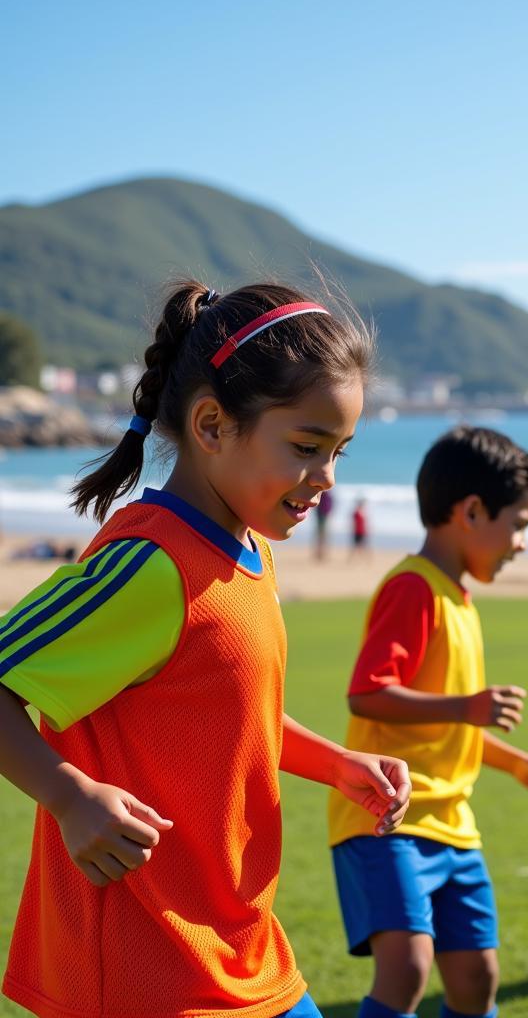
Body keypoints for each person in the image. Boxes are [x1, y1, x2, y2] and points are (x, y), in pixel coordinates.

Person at [0, 280, 412, 1018]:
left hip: (239, 946)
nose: (327, 479)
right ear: (213, 425)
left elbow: (228, 715)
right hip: (145, 972)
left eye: (340, 452)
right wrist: (68, 796)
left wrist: (337, 765)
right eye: (307, 448)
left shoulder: (247, 547)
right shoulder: (149, 566)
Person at [329, 426, 528, 1018]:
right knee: (408, 967)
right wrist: (467, 707)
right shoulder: (415, 589)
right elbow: (368, 694)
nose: (521, 543)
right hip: (388, 820)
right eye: (518, 524)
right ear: (470, 511)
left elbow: (446, 724)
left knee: (475, 976)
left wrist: (519, 764)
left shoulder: (459, 600)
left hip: (453, 826)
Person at [314, 488, 334, 561]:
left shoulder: (326, 494)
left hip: (324, 516)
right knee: (321, 536)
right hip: (322, 516)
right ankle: (320, 553)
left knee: (323, 536)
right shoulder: (323, 494)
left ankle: (322, 553)